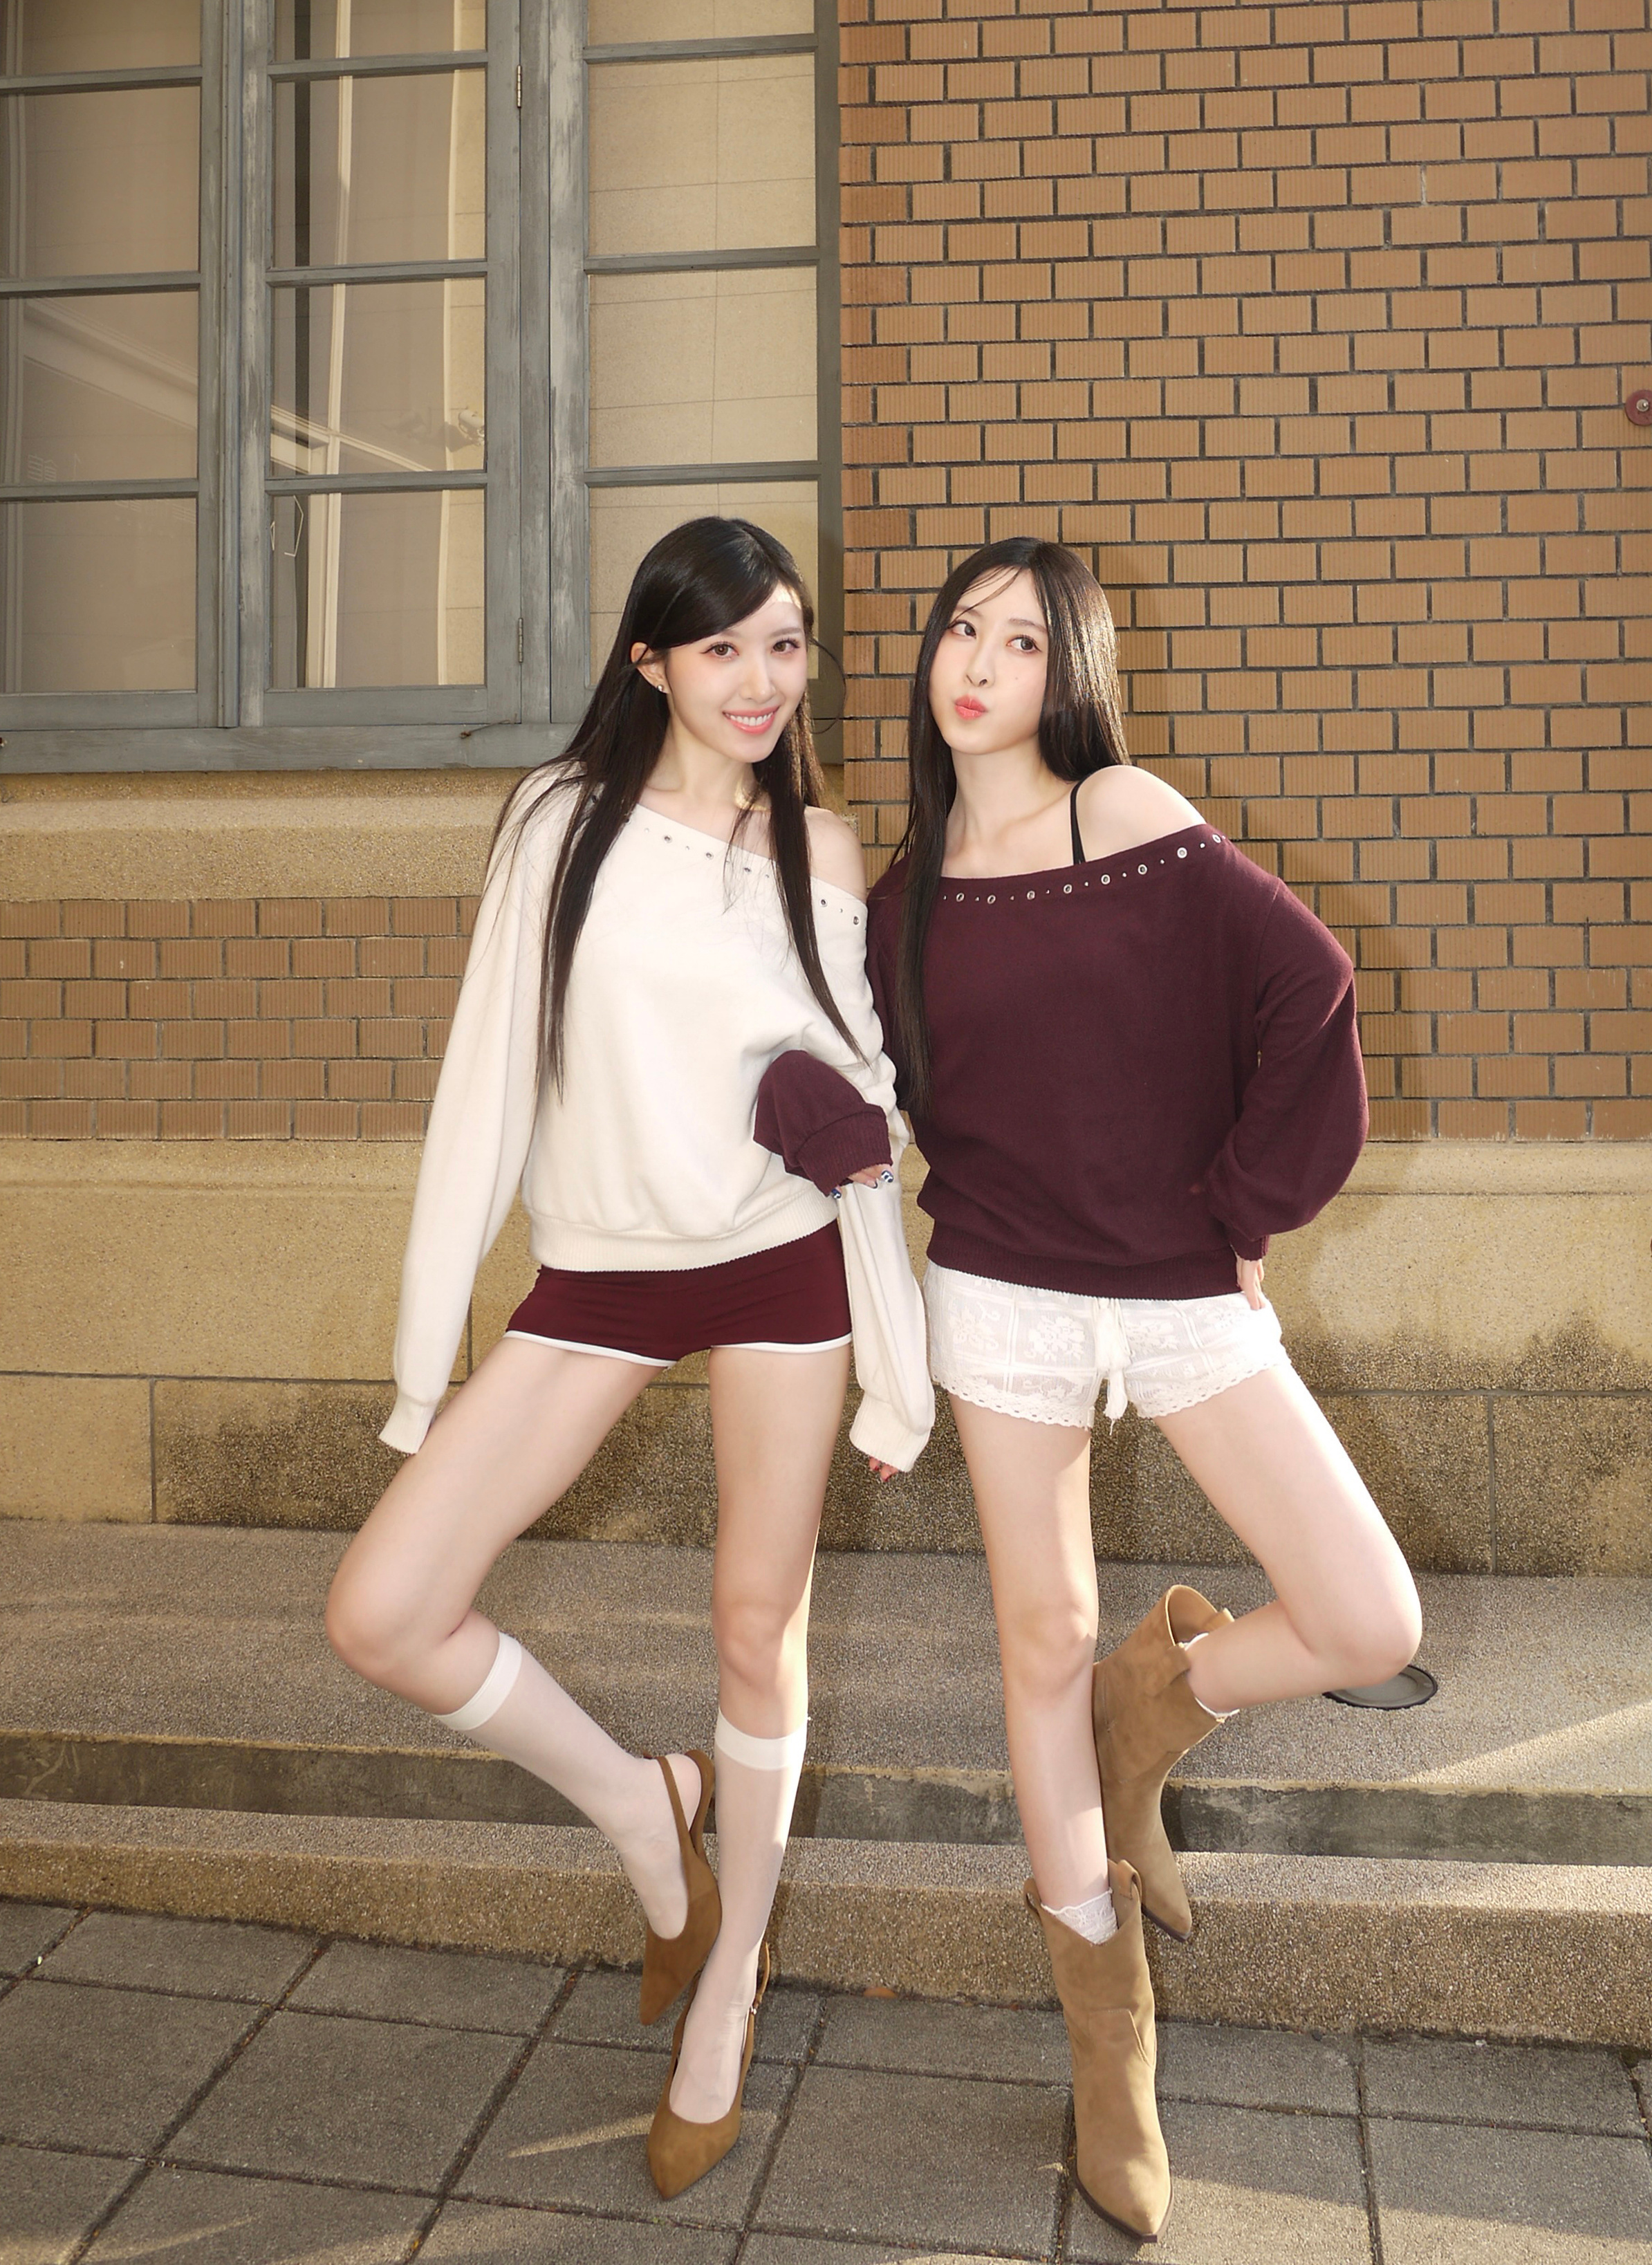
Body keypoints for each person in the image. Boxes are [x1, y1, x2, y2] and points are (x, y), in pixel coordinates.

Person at [326, 517, 930, 2201]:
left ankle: (729, 1983)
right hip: (599, 1270)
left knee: (754, 1629)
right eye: (723, 646)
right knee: (383, 1612)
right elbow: (484, 1079)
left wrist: (853, 1135)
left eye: (785, 643)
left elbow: (866, 1080)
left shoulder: (824, 845)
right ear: (652, 662)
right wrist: (428, 1349)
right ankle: (640, 1806)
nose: (760, 679)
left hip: (780, 1262)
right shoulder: (558, 820)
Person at [865, 537, 1422, 2241]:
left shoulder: (1117, 813)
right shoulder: (902, 896)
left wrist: (1244, 1209)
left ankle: (1145, 1711)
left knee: (1366, 1619)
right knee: (1035, 1634)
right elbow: (869, 1108)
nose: (979, 664)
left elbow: (1309, 985)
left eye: (1024, 642)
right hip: (1000, 1302)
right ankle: (1106, 2037)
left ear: (1071, 676)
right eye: (963, 630)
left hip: (1182, 1293)